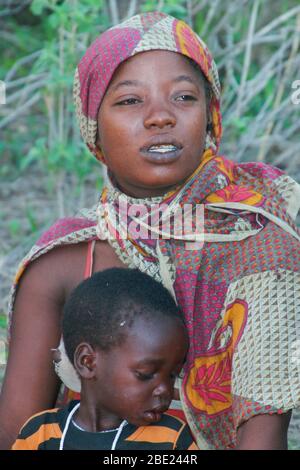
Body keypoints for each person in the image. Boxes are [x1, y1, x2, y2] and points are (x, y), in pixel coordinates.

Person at [1, 11, 299, 450]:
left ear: (211, 116)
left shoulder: (260, 244)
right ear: (93, 127)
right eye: (129, 101)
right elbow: (16, 435)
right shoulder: (64, 260)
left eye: (183, 97)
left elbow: (262, 439)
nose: (160, 116)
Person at [12, 268, 198, 450]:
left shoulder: (172, 439)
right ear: (88, 362)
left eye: (172, 375)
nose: (164, 390)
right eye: (146, 374)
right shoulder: (39, 435)